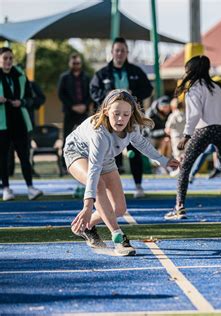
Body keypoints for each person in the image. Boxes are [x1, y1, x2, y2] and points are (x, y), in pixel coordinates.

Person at [64, 89, 179, 256]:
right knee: (99, 185)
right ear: (106, 111)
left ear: (131, 113)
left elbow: (142, 144)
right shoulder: (99, 134)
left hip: (106, 157)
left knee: (119, 208)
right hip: (78, 152)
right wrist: (87, 206)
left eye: (125, 114)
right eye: (116, 113)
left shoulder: (132, 127)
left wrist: (164, 160)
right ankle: (118, 237)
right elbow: (94, 171)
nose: (120, 119)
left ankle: (86, 226)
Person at [165, 55, 221, 220]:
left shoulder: (194, 89)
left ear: (191, 71)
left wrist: (186, 136)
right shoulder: (218, 88)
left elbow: (194, 115)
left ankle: (179, 207)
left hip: (204, 129)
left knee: (185, 166)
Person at [90, 37, 153, 197]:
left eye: (123, 51)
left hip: (130, 118)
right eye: (117, 50)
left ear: (127, 53)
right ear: (112, 53)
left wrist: (133, 98)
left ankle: (138, 186)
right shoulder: (102, 73)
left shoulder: (136, 72)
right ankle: (113, 188)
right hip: (110, 121)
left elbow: (148, 89)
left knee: (135, 150)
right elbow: (93, 91)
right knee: (109, 153)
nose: (119, 54)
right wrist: (110, 99)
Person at [0, 47, 43, 201]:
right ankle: (5, 188)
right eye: (5, 58)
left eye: (10, 58)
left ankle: (30, 187)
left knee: (24, 156)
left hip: (19, 122)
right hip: (2, 124)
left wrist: (22, 101)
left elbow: (32, 99)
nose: (8, 61)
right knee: (3, 157)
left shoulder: (20, 75)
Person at [146, 95, 172, 161]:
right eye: (165, 106)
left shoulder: (170, 113)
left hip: (163, 138)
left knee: (167, 141)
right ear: (159, 106)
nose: (167, 109)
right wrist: (164, 131)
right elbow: (149, 133)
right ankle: (160, 163)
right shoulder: (150, 114)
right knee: (164, 141)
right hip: (150, 140)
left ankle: (168, 163)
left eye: (168, 106)